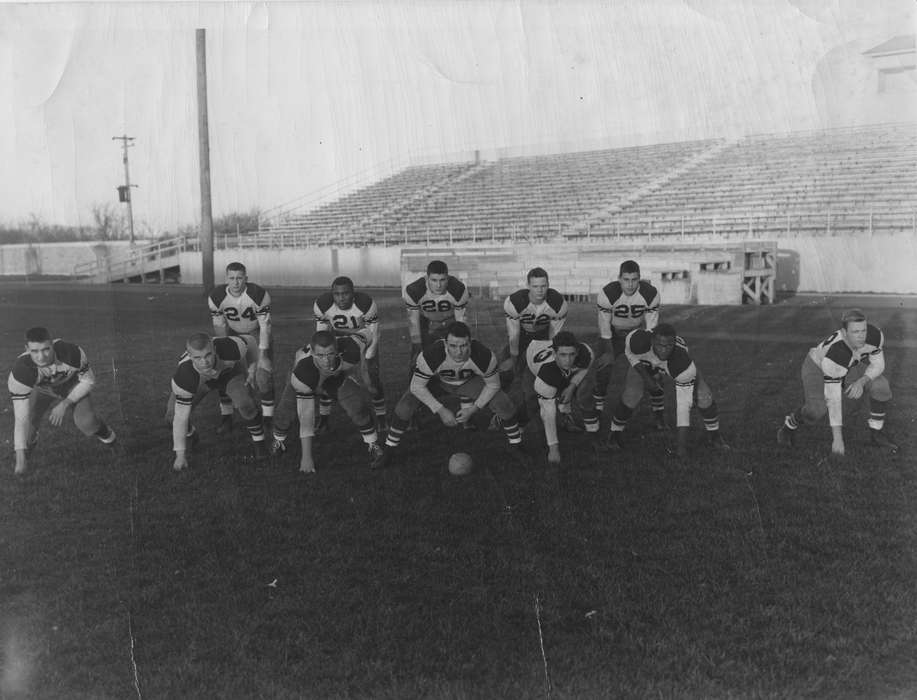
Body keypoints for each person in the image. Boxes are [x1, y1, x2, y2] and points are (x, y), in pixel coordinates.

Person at [376, 321, 527, 468]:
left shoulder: (484, 355)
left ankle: (516, 445)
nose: (459, 351)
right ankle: (389, 450)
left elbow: (493, 385)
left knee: (503, 403)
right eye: (453, 346)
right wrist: (441, 410)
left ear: (470, 342)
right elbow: (416, 386)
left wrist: (473, 409)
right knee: (406, 405)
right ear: (445, 343)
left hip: (468, 382)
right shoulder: (431, 355)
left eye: (463, 345)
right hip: (438, 382)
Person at [777, 308, 897, 456]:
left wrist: (861, 381)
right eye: (855, 332)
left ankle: (876, 434)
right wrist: (838, 439)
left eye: (863, 330)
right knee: (816, 411)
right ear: (844, 332)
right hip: (818, 366)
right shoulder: (837, 351)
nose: (861, 337)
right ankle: (790, 424)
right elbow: (833, 398)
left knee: (880, 385)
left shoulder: (875, 335)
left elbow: (878, 365)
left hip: (849, 365)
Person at [605, 323, 726, 459]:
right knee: (632, 394)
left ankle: (715, 436)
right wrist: (646, 377)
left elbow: (683, 406)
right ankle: (614, 434)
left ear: (674, 344)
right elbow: (629, 352)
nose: (663, 350)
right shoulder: (637, 341)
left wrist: (681, 448)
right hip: (645, 361)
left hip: (671, 365)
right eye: (659, 345)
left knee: (704, 395)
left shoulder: (681, 363)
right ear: (651, 341)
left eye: (668, 346)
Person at [270, 330, 385, 473]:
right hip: (306, 378)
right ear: (312, 352)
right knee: (285, 411)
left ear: (337, 350)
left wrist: (365, 375)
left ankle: (373, 444)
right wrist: (307, 458)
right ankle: (278, 441)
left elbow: (371, 333)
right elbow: (306, 417)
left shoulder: (352, 348)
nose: (326, 360)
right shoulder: (304, 371)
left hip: (334, 377)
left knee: (357, 406)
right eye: (320, 355)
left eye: (330, 354)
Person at [7, 327, 116, 475]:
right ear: (26, 349)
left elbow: (88, 382)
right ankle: (26, 454)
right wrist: (19, 457)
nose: (41, 357)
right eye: (35, 351)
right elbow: (20, 418)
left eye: (46, 349)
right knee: (28, 426)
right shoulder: (21, 370)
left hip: (71, 385)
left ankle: (110, 439)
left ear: (52, 344)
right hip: (43, 390)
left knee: (87, 423)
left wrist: (64, 404)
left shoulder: (71, 353)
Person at [170, 333, 267, 471]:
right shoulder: (184, 376)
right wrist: (180, 455)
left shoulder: (230, 347)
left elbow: (250, 341)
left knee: (245, 404)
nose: (204, 362)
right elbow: (180, 417)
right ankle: (191, 434)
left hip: (229, 373)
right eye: (198, 358)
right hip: (200, 381)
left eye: (208, 355)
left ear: (214, 349)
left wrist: (252, 368)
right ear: (190, 356)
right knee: (171, 415)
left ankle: (260, 445)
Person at [312, 276, 386, 433]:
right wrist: (324, 355)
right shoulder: (322, 304)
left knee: (372, 382)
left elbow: (374, 333)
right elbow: (322, 334)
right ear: (332, 294)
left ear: (353, 293)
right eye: (337, 294)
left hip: (364, 343)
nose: (341, 298)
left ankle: (382, 419)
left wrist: (367, 359)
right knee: (327, 378)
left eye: (345, 293)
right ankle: (324, 420)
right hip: (337, 344)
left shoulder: (365, 303)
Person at [207, 261, 275, 432]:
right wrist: (224, 352)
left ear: (246, 278)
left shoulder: (257, 294)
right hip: (232, 333)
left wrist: (263, 355)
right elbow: (220, 326)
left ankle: (268, 417)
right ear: (226, 279)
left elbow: (265, 326)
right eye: (232, 278)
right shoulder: (216, 296)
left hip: (256, 332)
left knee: (262, 375)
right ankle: (226, 417)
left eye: (239, 278)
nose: (236, 282)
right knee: (225, 374)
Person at [496, 267, 568, 426]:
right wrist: (514, 359)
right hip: (521, 337)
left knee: (548, 377)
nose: (540, 290)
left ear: (548, 284)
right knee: (504, 373)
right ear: (528, 285)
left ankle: (562, 413)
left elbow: (554, 337)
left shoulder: (557, 303)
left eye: (543, 285)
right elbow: (513, 334)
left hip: (543, 339)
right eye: (535, 286)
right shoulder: (515, 302)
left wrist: (550, 357)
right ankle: (499, 412)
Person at [593, 260, 661, 420]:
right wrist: (609, 353)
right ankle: (598, 408)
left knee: (654, 369)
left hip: (637, 333)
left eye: (634, 279)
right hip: (613, 334)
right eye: (626, 279)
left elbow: (652, 328)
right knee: (604, 368)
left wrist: (649, 353)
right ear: (619, 278)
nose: (630, 285)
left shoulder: (650, 294)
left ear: (640, 278)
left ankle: (659, 413)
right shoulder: (608, 293)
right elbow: (604, 329)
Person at [525, 331, 600, 466]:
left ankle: (590, 432)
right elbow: (548, 413)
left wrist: (572, 386)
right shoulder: (546, 372)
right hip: (535, 353)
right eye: (563, 355)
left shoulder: (586, 353)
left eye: (572, 354)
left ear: (577, 351)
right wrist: (554, 449)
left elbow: (584, 368)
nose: (568, 360)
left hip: (552, 358)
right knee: (533, 405)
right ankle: (513, 428)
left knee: (584, 392)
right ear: (554, 354)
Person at [403, 259, 470, 364]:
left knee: (459, 354)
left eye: (442, 280)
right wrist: (417, 342)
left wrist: (461, 340)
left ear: (448, 278)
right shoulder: (414, 290)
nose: (438, 285)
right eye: (434, 280)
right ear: (427, 278)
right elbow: (413, 321)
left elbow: (460, 321)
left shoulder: (458, 289)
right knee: (419, 358)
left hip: (450, 322)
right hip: (426, 322)